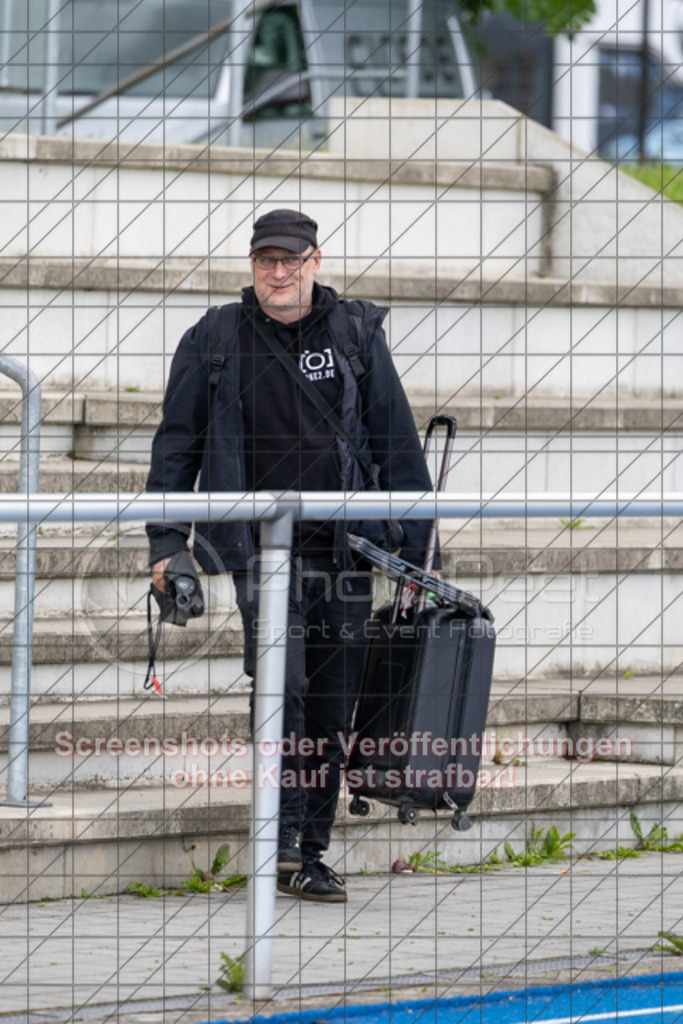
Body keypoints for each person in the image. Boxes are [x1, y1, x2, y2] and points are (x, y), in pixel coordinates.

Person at [146, 208, 438, 903]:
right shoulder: (216, 337)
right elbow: (176, 447)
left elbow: (397, 445)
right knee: (283, 689)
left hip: (344, 552)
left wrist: (421, 549)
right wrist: (166, 543)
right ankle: (277, 844)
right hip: (259, 553)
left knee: (332, 702)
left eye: (291, 260)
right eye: (266, 260)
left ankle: (311, 852)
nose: (278, 272)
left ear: (315, 261)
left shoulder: (354, 335)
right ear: (253, 264)